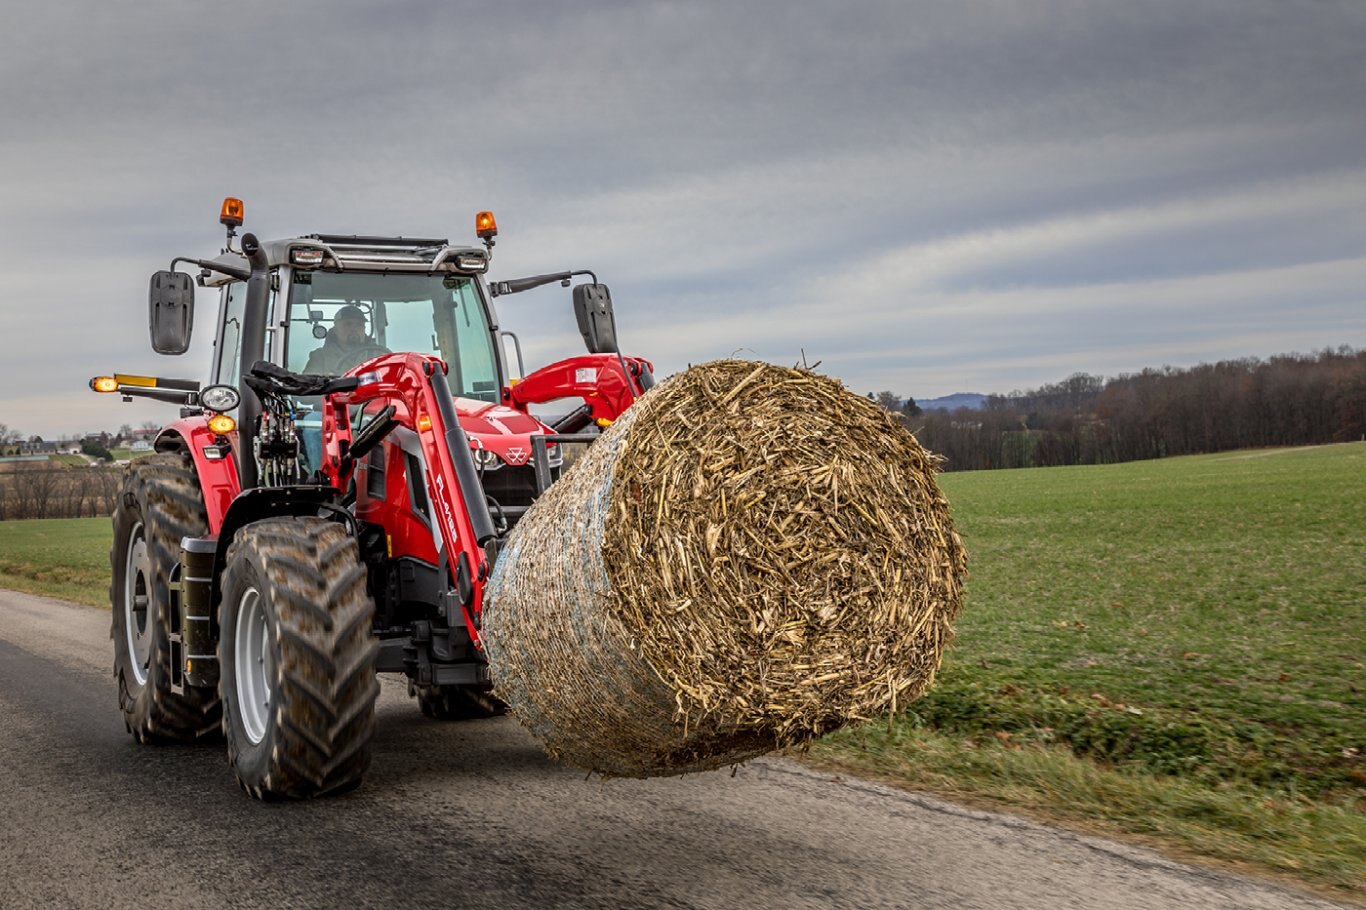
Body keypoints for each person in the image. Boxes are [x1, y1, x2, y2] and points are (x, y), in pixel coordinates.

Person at [304, 305, 389, 374]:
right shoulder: (320, 357)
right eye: (348, 324)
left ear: (364, 329)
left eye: (359, 324)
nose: (354, 329)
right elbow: (310, 387)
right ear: (335, 330)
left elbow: (391, 379)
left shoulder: (381, 355)